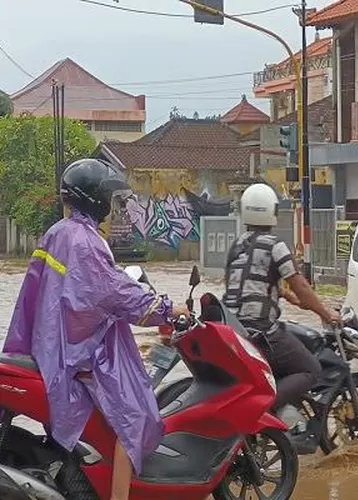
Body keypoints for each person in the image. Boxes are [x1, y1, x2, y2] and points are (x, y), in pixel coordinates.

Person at [2, 159, 189, 500]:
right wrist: (167, 308)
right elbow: (117, 293)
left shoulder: (58, 232)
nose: (111, 205)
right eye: (108, 197)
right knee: (136, 416)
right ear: (93, 198)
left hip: (51, 346)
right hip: (77, 353)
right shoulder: (86, 242)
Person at [223, 183, 339, 453]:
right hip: (261, 331)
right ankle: (266, 410)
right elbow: (302, 286)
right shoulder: (276, 246)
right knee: (310, 369)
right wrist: (327, 313)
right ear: (272, 212)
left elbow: (245, 285)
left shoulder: (236, 246)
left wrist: (283, 295)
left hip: (232, 330)